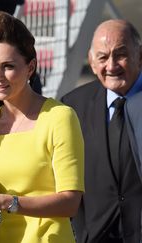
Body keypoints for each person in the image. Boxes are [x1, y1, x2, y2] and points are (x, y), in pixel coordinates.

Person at [0, 12, 84, 243]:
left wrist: (6, 201)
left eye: (8, 66)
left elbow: (70, 202)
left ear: (30, 67)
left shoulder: (60, 117)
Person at [61, 19, 142, 242]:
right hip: (94, 236)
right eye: (103, 57)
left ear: (140, 55)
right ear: (91, 62)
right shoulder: (73, 106)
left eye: (121, 54)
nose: (112, 65)